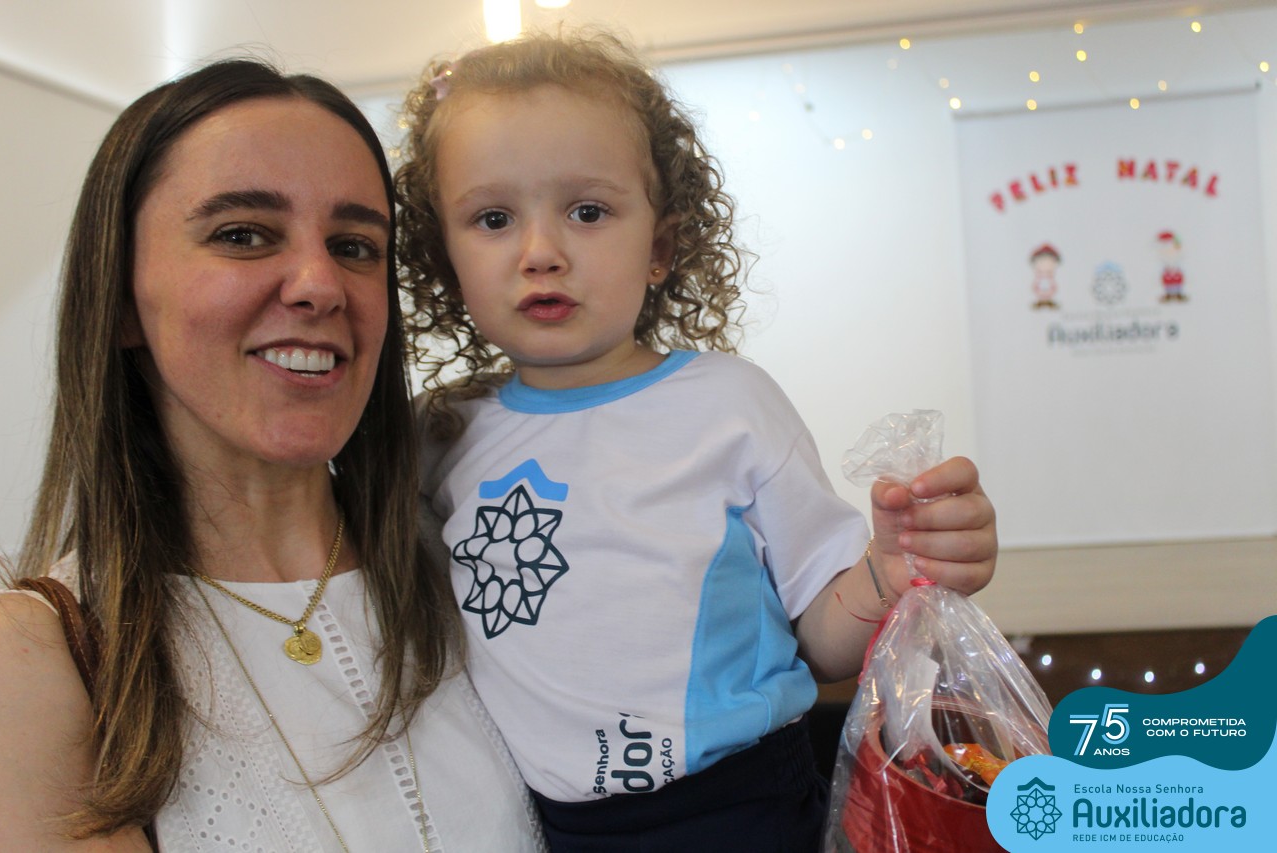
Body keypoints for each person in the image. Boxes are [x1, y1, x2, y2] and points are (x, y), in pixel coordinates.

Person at [395, 31, 999, 851]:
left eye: (587, 211)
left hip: (740, 810)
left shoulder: (729, 405)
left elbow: (824, 644)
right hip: (544, 826)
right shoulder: (437, 433)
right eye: (493, 218)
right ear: (445, 257)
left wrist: (888, 570)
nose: (541, 253)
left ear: (661, 248)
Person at [0, 59, 543, 851]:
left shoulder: (478, 566)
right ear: (120, 301)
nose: (321, 285)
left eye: (355, 245)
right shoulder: (38, 659)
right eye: (243, 235)